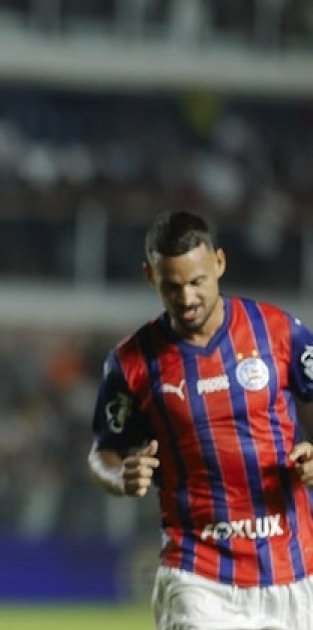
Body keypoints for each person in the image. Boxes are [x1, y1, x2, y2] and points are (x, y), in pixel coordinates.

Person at [87, 210, 313, 630]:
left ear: (219, 263)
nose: (187, 298)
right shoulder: (131, 363)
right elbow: (103, 453)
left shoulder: (277, 332)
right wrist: (121, 476)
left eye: (197, 282)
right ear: (150, 276)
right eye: (172, 287)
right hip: (196, 573)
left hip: (292, 569)